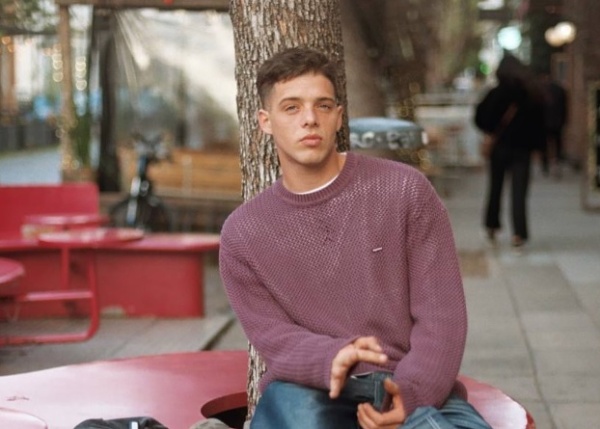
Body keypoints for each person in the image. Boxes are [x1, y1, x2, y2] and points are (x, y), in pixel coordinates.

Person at [219, 47, 491, 429]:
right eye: (292, 107)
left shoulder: (404, 190)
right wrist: (334, 355)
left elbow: (441, 317)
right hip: (310, 392)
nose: (309, 119)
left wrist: (411, 395)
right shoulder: (243, 233)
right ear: (266, 121)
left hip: (409, 383)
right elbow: (274, 338)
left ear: (338, 116)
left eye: (323, 106)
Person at [474, 54, 546, 249]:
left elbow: (480, 118)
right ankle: (518, 234)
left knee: (495, 187)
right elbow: (540, 125)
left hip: (499, 148)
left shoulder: (495, 93)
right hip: (522, 150)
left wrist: (491, 130)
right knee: (519, 192)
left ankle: (491, 225)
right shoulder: (530, 94)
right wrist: (539, 149)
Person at [540, 74, 568, 177]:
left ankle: (546, 165)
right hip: (557, 122)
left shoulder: (542, 90)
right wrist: (564, 120)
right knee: (557, 143)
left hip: (545, 122)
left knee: (545, 144)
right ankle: (556, 163)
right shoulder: (559, 90)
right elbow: (564, 108)